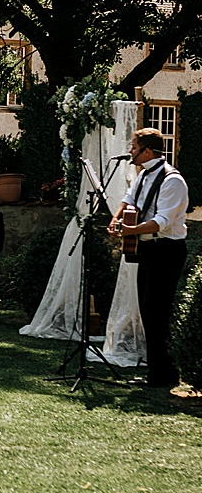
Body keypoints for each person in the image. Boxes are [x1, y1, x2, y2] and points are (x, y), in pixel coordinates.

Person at [108, 127, 190, 388]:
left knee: (157, 311)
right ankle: (158, 371)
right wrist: (115, 218)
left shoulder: (172, 180)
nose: (130, 152)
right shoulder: (143, 175)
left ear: (146, 151)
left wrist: (130, 230)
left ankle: (165, 374)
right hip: (147, 250)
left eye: (134, 148)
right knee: (148, 311)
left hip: (167, 250)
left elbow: (163, 222)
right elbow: (129, 198)